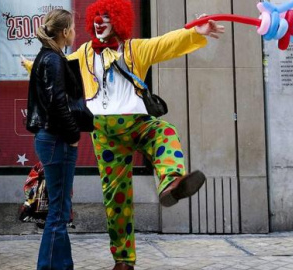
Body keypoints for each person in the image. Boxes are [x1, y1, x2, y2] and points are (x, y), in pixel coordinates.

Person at [23, 1, 225, 269]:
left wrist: (194, 33)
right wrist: (31, 65)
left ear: (119, 20)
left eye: (106, 17)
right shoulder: (83, 53)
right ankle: (123, 260)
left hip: (137, 123)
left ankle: (171, 180)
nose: (99, 22)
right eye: (97, 17)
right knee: (116, 198)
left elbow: (166, 43)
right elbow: (58, 68)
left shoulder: (134, 48)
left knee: (164, 132)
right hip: (104, 134)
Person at [26, 9, 82, 270]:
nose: (75, 31)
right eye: (72, 27)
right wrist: (73, 136)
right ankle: (48, 267)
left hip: (51, 138)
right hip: (57, 139)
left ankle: (63, 265)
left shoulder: (48, 57)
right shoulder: (53, 60)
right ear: (63, 32)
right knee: (58, 212)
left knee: (60, 209)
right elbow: (58, 103)